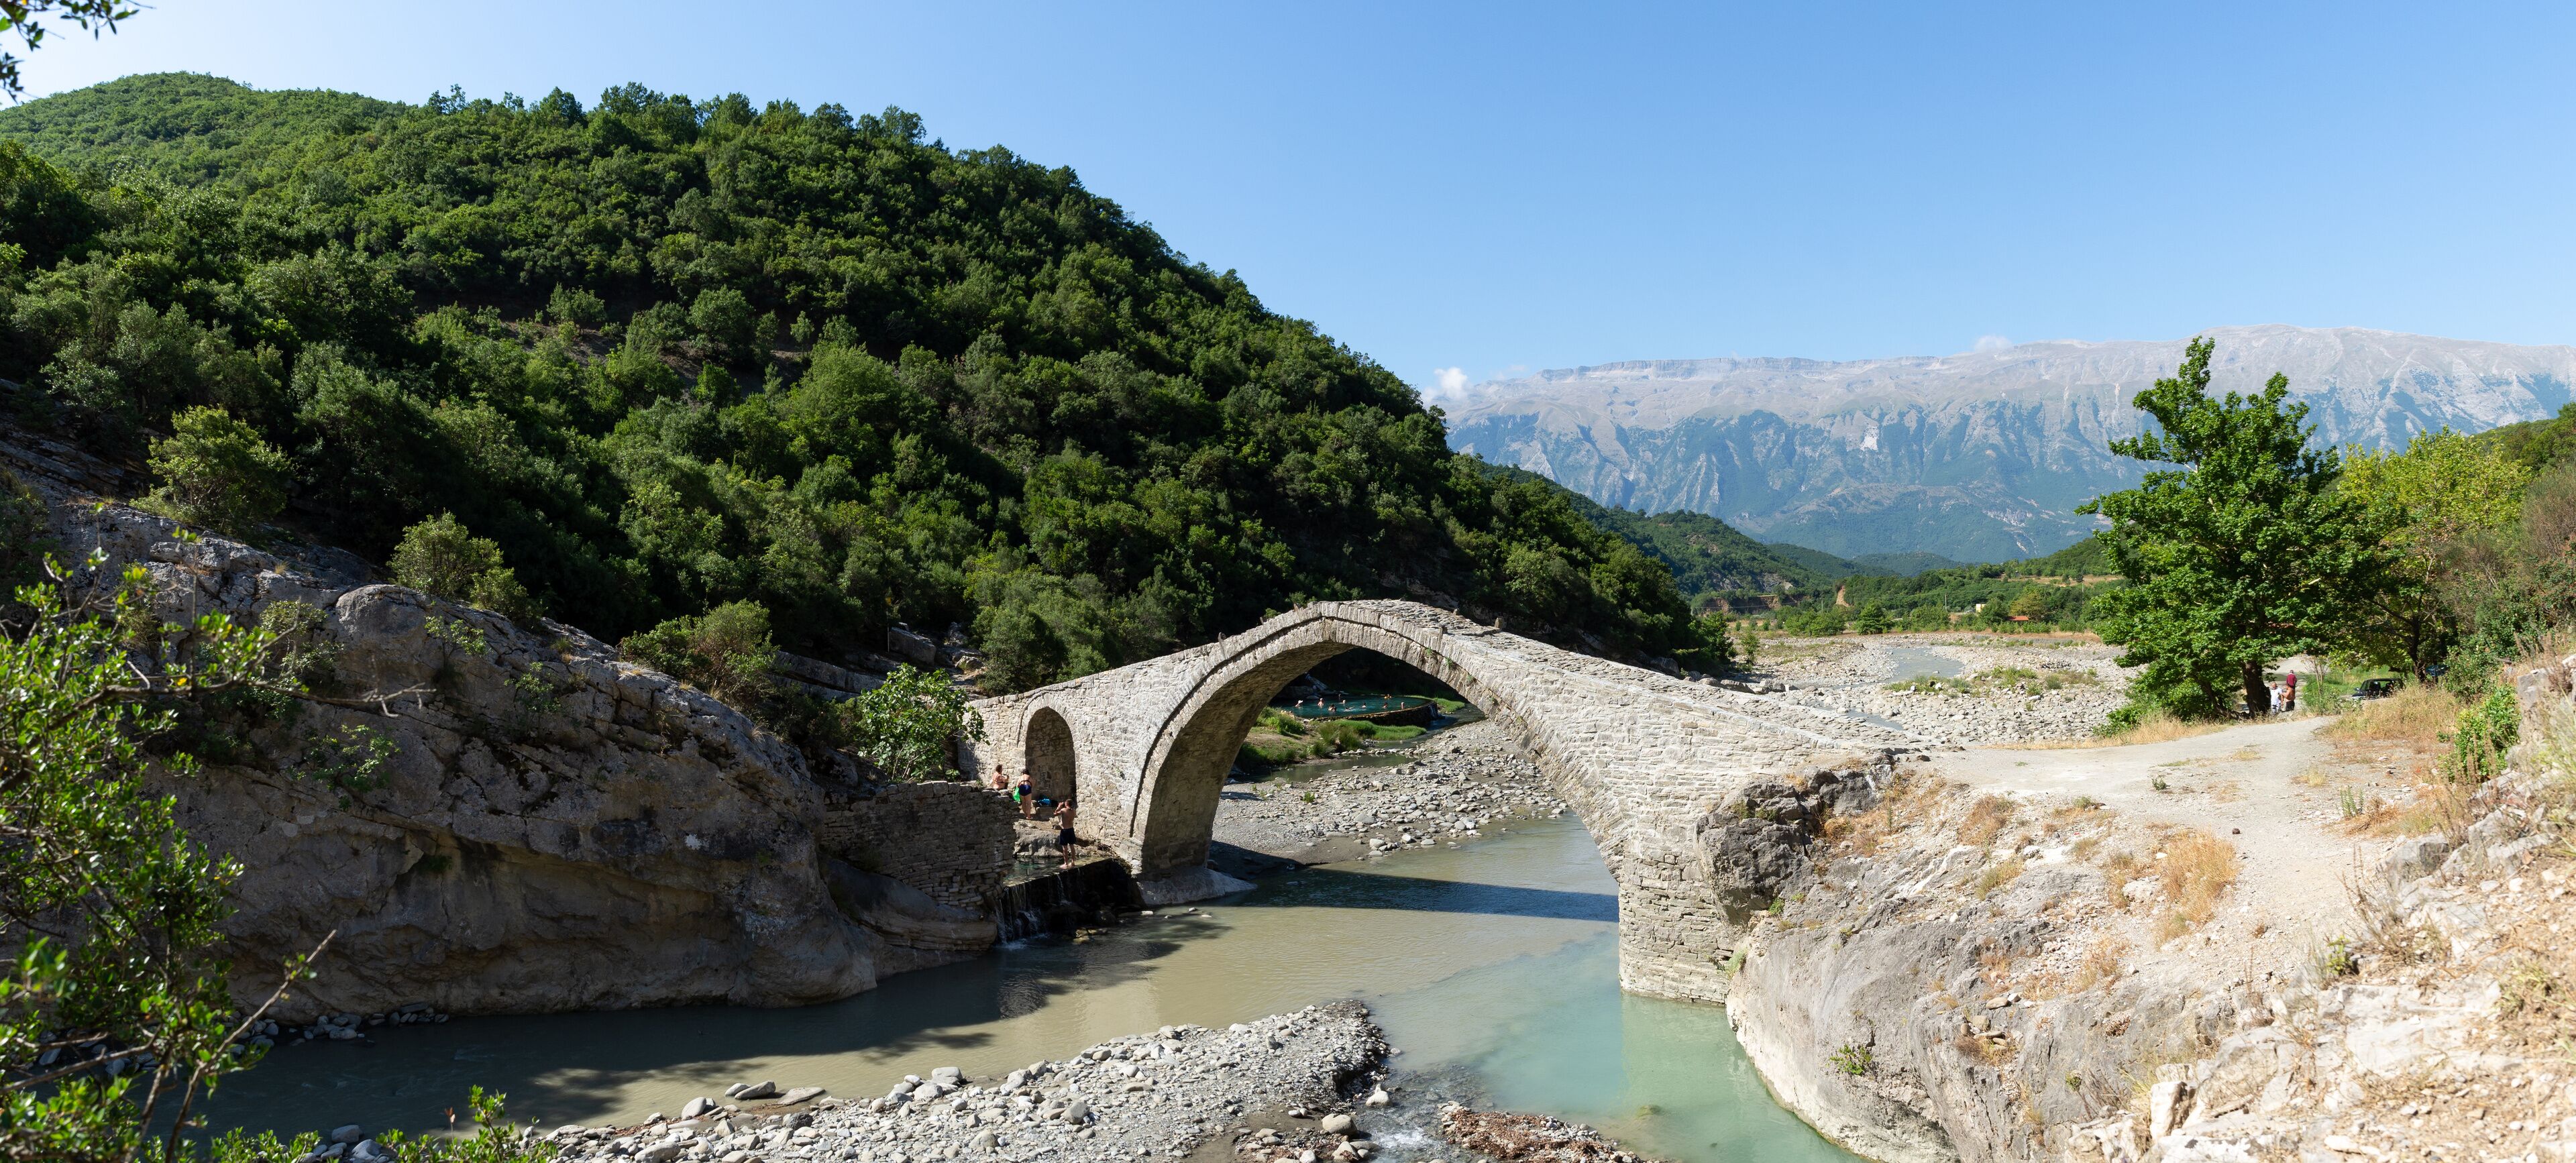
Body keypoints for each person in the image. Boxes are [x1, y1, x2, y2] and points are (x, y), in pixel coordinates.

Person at [1054, 798, 1079, 869]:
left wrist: (1059, 807)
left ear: (1067, 804)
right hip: (1071, 830)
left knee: (1065, 848)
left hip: (1065, 831)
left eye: (1065, 803)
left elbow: (1055, 814)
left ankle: (1066, 863)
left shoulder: (1063, 810)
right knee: (1072, 846)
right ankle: (1073, 862)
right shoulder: (1074, 811)